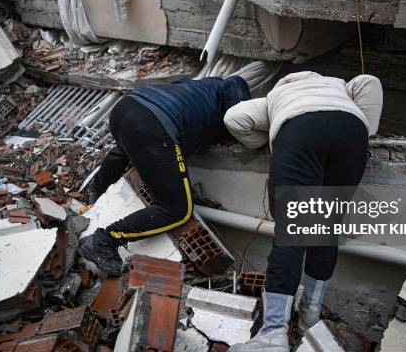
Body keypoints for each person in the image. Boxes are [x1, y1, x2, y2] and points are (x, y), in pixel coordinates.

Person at [223, 71, 383, 351]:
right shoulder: (339, 85)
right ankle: (310, 318)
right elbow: (370, 82)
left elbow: (234, 118)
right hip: (351, 131)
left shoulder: (273, 96)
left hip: (301, 130)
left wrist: (266, 140)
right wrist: (365, 129)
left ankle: (273, 333)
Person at [79, 76, 251, 275]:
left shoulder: (204, 87)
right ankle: (104, 241)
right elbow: (236, 91)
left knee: (126, 150)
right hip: (154, 125)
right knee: (177, 209)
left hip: (126, 107)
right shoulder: (235, 98)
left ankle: (95, 195)